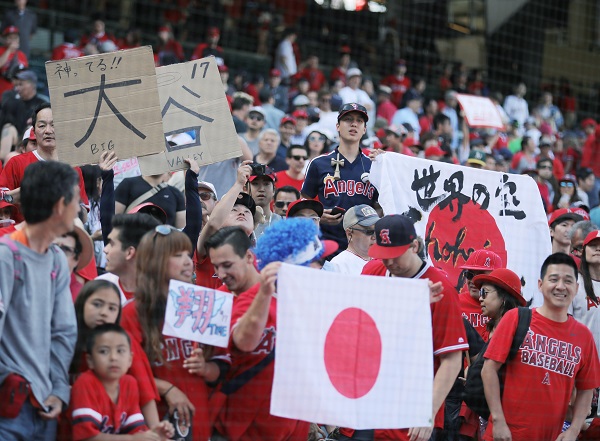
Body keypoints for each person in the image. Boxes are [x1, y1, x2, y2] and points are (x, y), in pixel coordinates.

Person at [338, 214, 467, 440]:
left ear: (414, 246)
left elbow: (452, 360)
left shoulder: (440, 287)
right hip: (367, 402)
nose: (389, 262)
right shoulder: (372, 272)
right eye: (383, 255)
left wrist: (427, 412)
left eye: (394, 255)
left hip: (410, 410)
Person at [121, 226, 229, 441]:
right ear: (155, 260)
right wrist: (167, 389)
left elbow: (224, 368)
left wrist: (207, 367)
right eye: (177, 255)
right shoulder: (132, 312)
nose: (188, 261)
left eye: (187, 254)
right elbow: (124, 372)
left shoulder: (204, 303)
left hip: (202, 422)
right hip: (155, 425)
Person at [481, 253, 600, 441]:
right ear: (540, 284)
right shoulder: (516, 318)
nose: (561, 286)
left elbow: (587, 389)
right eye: (554, 279)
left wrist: (574, 430)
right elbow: (488, 370)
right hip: (505, 436)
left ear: (576, 288)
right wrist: (498, 421)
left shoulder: (584, 336)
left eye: (568, 281)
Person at [0, 160, 78, 439]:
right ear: (60, 206)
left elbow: (64, 332)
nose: (79, 208)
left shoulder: (56, 259)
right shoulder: (6, 256)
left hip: (44, 406)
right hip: (8, 409)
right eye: (76, 200)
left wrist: (58, 388)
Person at [68, 324, 174, 440]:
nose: (113, 357)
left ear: (130, 360)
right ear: (90, 360)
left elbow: (136, 430)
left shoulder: (129, 383)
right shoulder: (85, 383)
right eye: (104, 351)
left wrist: (155, 435)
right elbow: (87, 438)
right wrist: (133, 439)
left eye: (120, 351)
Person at [302, 103, 379, 250]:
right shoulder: (319, 163)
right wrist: (317, 216)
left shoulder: (375, 165)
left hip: (363, 245)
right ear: (338, 126)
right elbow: (304, 201)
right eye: (348, 119)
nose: (354, 124)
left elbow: (380, 206)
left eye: (359, 121)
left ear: (364, 129)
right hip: (327, 242)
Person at [0, 103, 90, 222]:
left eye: (54, 125)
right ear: (34, 131)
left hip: (59, 237)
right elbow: (2, 197)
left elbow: (83, 217)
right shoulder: (16, 163)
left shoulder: (72, 168)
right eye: (42, 126)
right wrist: (25, 192)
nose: (48, 130)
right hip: (21, 237)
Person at [98, 213, 160, 305]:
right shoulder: (99, 287)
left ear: (130, 252)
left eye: (112, 244)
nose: (105, 250)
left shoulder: (167, 296)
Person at [0, 70, 47, 162]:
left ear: (32, 85)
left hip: (30, 143)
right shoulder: (11, 100)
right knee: (8, 128)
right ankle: (2, 163)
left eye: (21, 85)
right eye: (16, 85)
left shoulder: (42, 103)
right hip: (13, 139)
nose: (17, 88)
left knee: (31, 127)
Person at [458, 249, 505, 340]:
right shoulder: (455, 303)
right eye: (469, 275)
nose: (473, 281)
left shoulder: (507, 309)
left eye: (480, 276)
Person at [115, 173, 185, 228]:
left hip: (163, 243)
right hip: (133, 242)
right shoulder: (128, 184)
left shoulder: (175, 193)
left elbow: (180, 229)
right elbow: (115, 219)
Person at [329, 204, 379, 274]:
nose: (374, 236)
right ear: (349, 234)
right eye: (369, 231)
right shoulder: (337, 265)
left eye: (377, 230)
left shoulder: (385, 260)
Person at [572, 230, 600, 355]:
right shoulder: (573, 283)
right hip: (581, 360)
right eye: (593, 245)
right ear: (583, 252)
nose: (598, 249)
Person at [248, 169, 281, 238]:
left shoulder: (282, 223)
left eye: (266, 184)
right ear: (245, 189)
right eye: (255, 183)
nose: (261, 189)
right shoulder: (240, 221)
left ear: (274, 190)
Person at [0, 25, 27, 98]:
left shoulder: (22, 55)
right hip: (2, 91)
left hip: (16, 92)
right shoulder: (1, 50)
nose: (13, 40)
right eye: (10, 37)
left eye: (15, 37)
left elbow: (26, 74)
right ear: (5, 39)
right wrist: (9, 49)